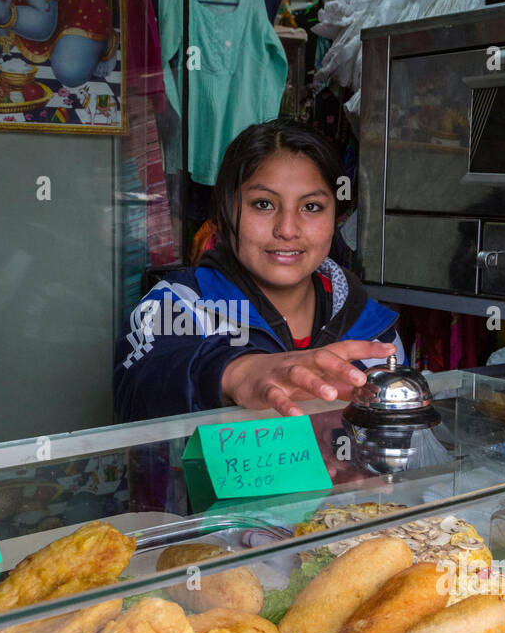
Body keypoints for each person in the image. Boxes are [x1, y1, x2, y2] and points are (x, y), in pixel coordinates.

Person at [114, 119, 402, 422]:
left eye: (312, 206)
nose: (287, 230)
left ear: (335, 218)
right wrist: (234, 373)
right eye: (263, 204)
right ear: (225, 212)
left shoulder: (374, 329)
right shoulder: (176, 306)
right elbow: (134, 391)